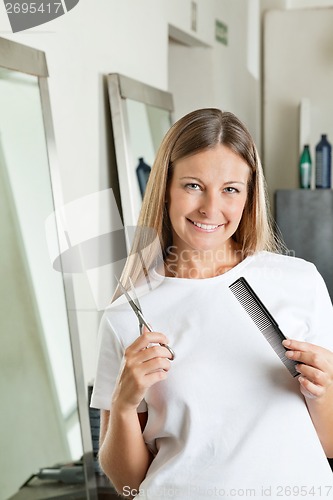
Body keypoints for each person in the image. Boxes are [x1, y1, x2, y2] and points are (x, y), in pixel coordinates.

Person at [90, 108, 333, 499]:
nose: (210, 208)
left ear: (249, 195)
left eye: (230, 189)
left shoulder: (299, 282)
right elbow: (128, 485)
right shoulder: (127, 315)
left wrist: (325, 389)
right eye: (192, 185)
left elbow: (329, 445)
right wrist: (122, 404)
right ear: (165, 188)